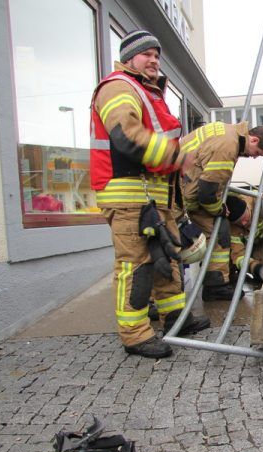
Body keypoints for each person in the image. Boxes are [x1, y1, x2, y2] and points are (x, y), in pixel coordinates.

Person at [90, 30, 210, 359]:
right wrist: (175, 157)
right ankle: (134, 335)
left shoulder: (147, 92)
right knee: (136, 265)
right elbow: (126, 135)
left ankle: (175, 318)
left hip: (153, 197)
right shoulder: (118, 87)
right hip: (128, 195)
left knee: (166, 259)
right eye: (146, 54)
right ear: (128, 58)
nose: (154, 59)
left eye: (156, 54)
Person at [179, 121, 263, 301]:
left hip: (185, 189)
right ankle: (213, 286)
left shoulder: (227, 133)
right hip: (184, 194)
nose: (254, 158)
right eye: (257, 153)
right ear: (254, 140)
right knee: (216, 230)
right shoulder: (229, 145)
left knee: (218, 229)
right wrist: (220, 209)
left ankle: (216, 282)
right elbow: (207, 192)